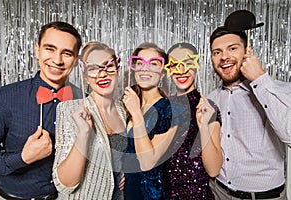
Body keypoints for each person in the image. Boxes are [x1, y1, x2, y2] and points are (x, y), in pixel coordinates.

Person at [0, 21, 82, 199]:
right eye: (50, 49)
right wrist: (23, 157)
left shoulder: (84, 101)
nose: (57, 60)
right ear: (37, 50)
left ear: (76, 60)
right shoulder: (3, 97)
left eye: (67, 53)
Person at [208, 26, 291, 200]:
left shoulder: (278, 90)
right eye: (217, 52)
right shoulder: (211, 99)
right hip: (219, 192)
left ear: (247, 52)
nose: (224, 57)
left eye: (232, 48)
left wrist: (260, 78)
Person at [52, 41, 127, 200]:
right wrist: (84, 133)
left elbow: (121, 156)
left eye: (109, 66)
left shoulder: (124, 110)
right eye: (93, 69)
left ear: (117, 70)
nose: (102, 74)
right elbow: (64, 183)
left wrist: (125, 174)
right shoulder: (69, 109)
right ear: (85, 76)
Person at [162, 42, 222, 200]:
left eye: (188, 63)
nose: (181, 70)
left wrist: (203, 127)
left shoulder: (208, 108)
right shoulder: (163, 108)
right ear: (168, 69)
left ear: (197, 65)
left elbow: (214, 170)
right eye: (175, 64)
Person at [122, 42, 175, 200]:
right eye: (140, 63)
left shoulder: (170, 110)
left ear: (163, 72)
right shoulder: (127, 103)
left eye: (153, 63)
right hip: (128, 191)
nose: (145, 68)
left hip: (151, 194)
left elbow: (147, 162)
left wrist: (137, 114)